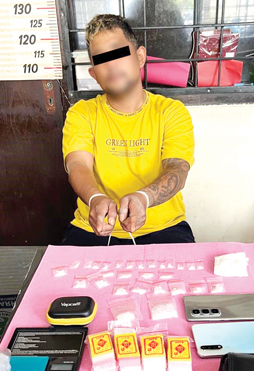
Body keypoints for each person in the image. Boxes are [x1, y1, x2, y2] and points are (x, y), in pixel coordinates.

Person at [60, 14, 196, 246]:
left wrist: (144, 198)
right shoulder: (81, 113)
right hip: (92, 227)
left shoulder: (171, 112)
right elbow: (78, 165)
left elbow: (178, 168)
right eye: (102, 60)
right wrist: (95, 198)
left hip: (165, 227)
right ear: (94, 74)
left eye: (118, 53)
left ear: (140, 57)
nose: (111, 65)